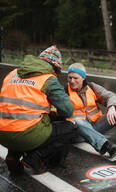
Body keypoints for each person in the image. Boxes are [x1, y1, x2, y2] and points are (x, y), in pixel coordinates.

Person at [0, 45, 77, 174]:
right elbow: (68, 110)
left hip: (2, 133)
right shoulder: (48, 79)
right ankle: (35, 158)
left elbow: (17, 108)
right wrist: (56, 114)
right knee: (70, 128)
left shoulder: (12, 73)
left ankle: (13, 156)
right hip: (26, 135)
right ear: (55, 67)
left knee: (18, 121)